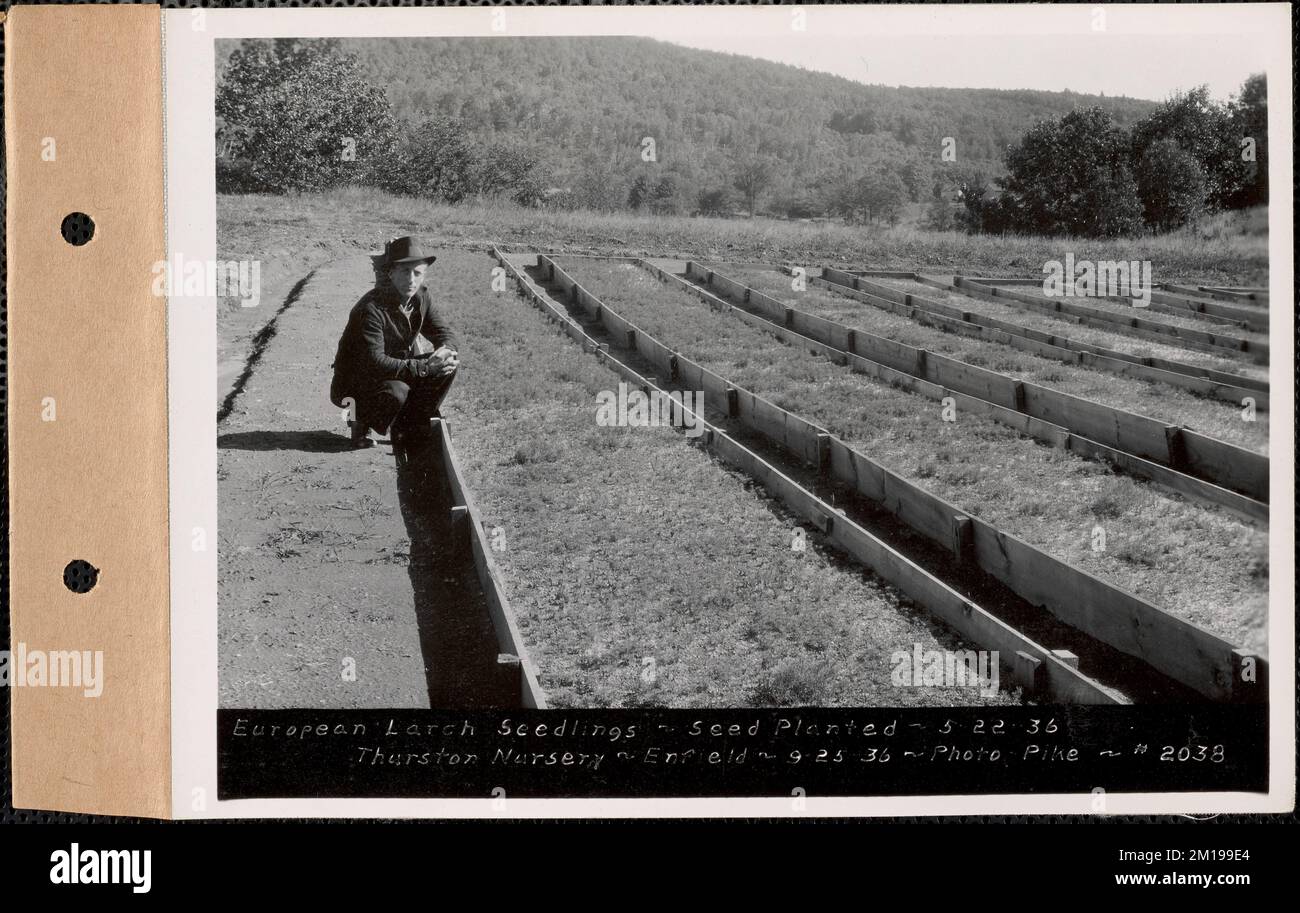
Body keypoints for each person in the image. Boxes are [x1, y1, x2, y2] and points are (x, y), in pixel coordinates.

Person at [329, 236, 460, 449]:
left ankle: (410, 428)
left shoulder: (421, 298)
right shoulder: (371, 309)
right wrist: (425, 367)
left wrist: (446, 351)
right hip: (355, 385)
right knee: (397, 392)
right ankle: (360, 421)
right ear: (391, 273)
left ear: (423, 275)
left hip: (390, 372)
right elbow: (375, 362)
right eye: (404, 272)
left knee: (448, 366)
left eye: (417, 273)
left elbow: (443, 331)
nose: (411, 279)